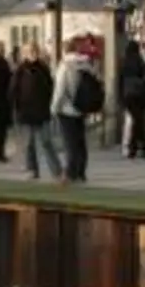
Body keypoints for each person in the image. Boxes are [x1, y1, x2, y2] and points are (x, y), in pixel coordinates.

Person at [50, 36, 99, 183]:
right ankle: (81, 171)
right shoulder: (86, 64)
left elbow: (60, 88)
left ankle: (71, 172)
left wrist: (54, 107)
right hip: (82, 107)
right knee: (80, 141)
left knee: (69, 142)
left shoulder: (65, 66)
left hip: (66, 108)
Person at [10, 42, 61, 180]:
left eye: (34, 50)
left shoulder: (43, 68)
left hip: (41, 111)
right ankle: (32, 170)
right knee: (28, 143)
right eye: (30, 51)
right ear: (25, 54)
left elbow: (50, 87)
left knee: (46, 141)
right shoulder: (20, 70)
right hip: (26, 111)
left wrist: (49, 104)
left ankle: (57, 171)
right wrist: (17, 107)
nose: (33, 53)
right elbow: (14, 90)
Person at [119, 38, 145, 159]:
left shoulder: (124, 63)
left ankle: (136, 147)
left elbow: (120, 82)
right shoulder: (140, 62)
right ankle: (142, 146)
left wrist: (121, 98)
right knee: (139, 121)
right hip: (140, 96)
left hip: (128, 96)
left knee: (136, 121)